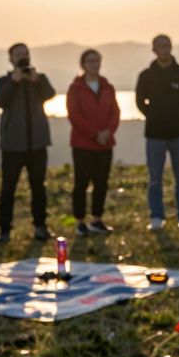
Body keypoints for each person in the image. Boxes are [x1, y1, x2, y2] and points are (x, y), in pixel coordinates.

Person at [0, 43, 56, 244]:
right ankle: (4, 229)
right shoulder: (4, 81)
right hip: (12, 145)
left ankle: (40, 225)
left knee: (38, 186)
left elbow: (50, 94)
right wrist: (14, 81)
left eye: (25, 53)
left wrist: (36, 81)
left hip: (37, 143)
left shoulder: (39, 78)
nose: (22, 57)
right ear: (11, 59)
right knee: (8, 188)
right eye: (18, 54)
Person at [134, 34, 179, 230]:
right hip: (154, 135)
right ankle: (156, 216)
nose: (165, 49)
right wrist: (153, 116)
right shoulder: (146, 75)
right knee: (155, 179)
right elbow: (139, 101)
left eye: (167, 45)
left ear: (171, 47)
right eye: (161, 46)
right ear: (154, 50)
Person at [65, 48, 119, 236]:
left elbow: (115, 112)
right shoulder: (75, 88)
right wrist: (95, 134)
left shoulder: (107, 87)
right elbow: (74, 115)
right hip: (83, 144)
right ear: (83, 64)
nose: (94, 64)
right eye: (90, 61)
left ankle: (97, 219)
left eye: (97, 60)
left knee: (101, 182)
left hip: (105, 144)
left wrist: (108, 132)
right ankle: (80, 221)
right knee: (81, 183)